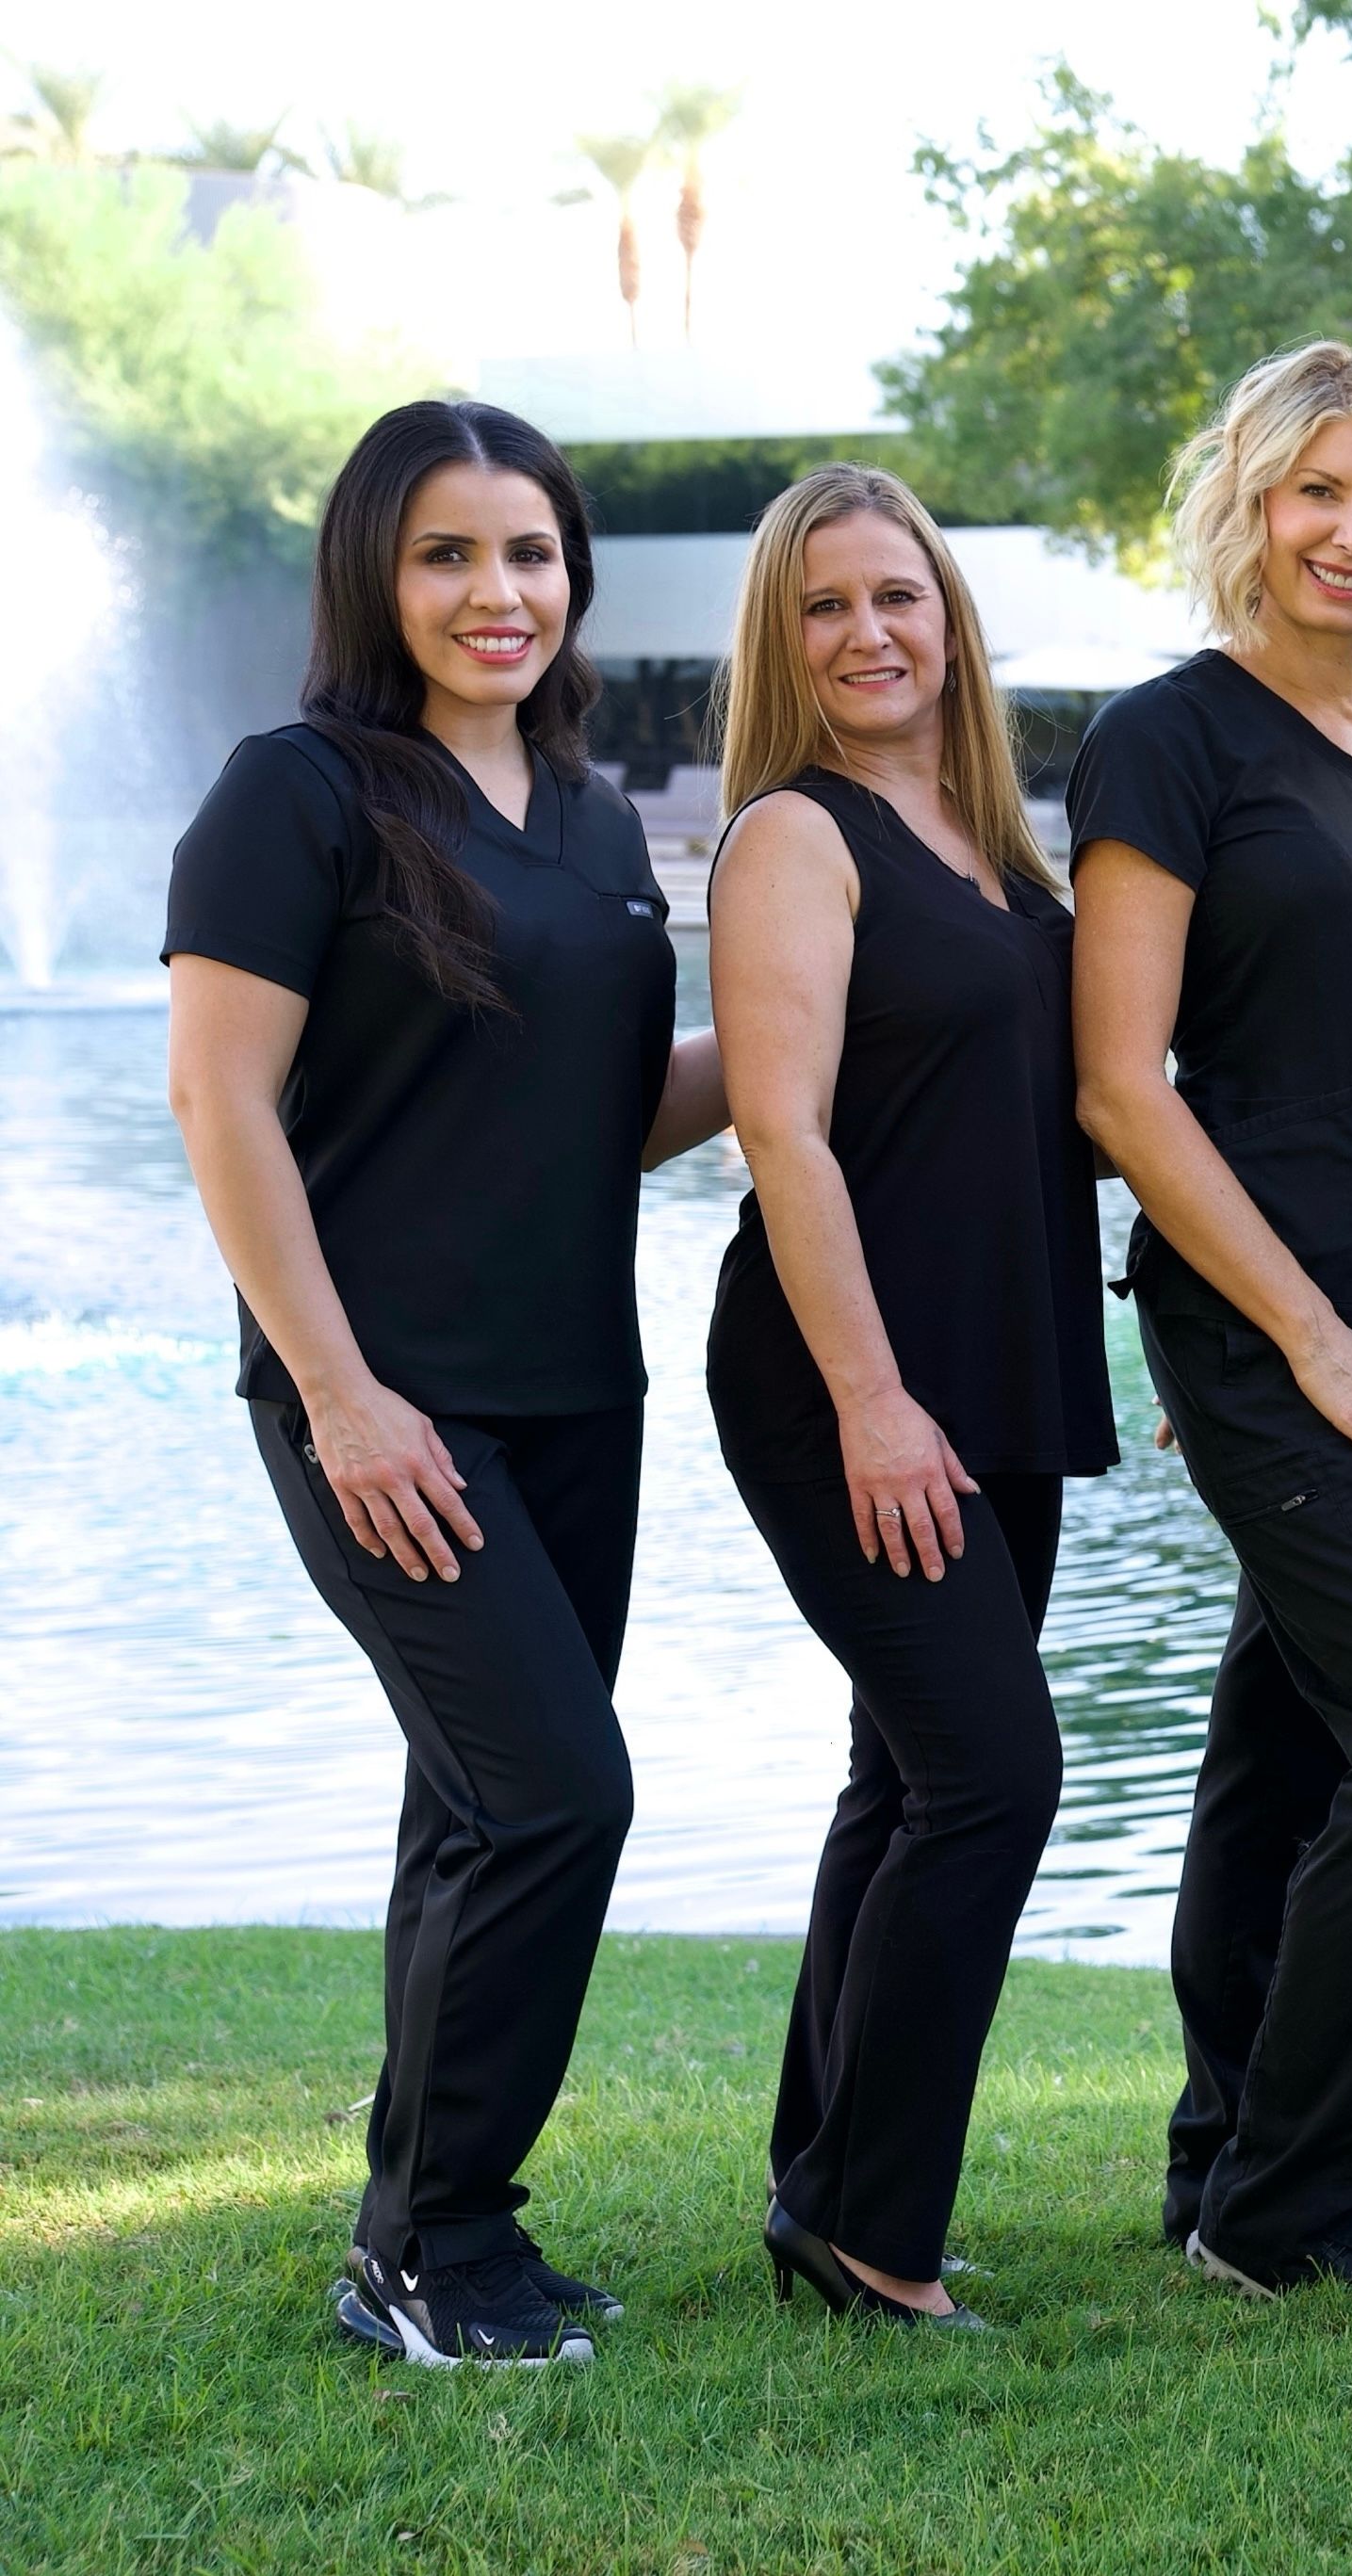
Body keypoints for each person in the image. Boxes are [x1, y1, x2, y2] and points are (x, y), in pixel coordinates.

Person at [162, 400, 726, 2367]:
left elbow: (597, 1119)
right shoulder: (297, 792)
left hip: (582, 1389)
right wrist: (337, 1392)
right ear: (374, 579)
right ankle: (436, 2248)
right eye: (446, 555)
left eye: (530, 554)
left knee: (474, 1811)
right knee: (562, 1795)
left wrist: (812, 1034)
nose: (498, 593)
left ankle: (427, 2228)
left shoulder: (594, 812)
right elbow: (219, 1103)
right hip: (384, 1403)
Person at [1070, 342, 1352, 2297]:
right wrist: (1292, 1340)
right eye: (1318, 491)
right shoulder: (1165, 741)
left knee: (1290, 1736)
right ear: (1246, 500)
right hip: (1285, 1325)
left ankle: (1215, 2161)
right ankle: (1288, 2208)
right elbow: (1121, 1084)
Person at [704, 466, 1116, 2329]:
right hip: (845, 1373)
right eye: (824, 607)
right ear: (781, 647)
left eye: (898, 597)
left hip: (999, 1361)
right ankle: (881, 2234)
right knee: (989, 1775)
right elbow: (780, 1131)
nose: (869, 634)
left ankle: (825, 2189)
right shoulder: (795, 836)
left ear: (948, 616)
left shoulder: (984, 838)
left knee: (903, 1775)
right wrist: (870, 1401)